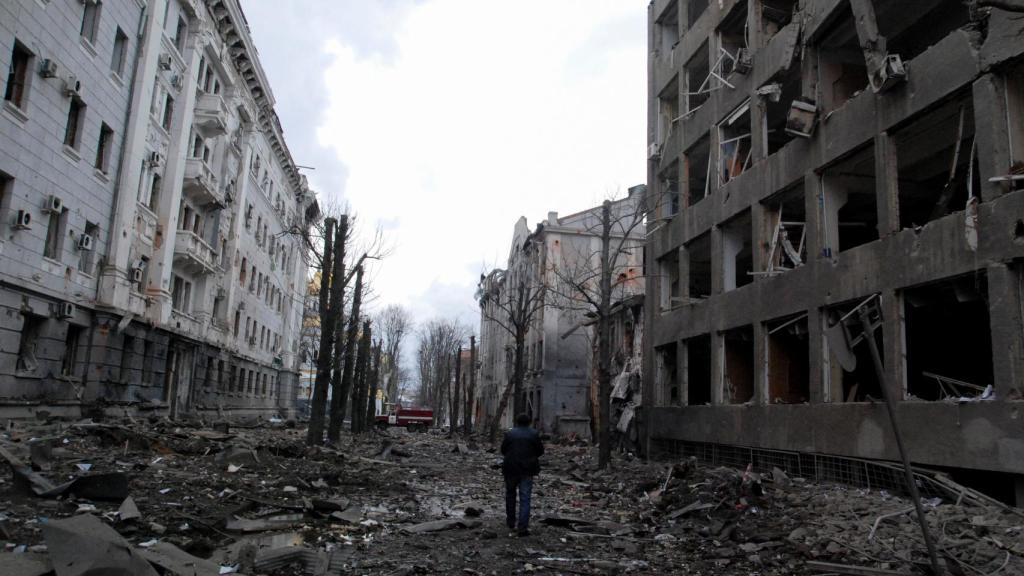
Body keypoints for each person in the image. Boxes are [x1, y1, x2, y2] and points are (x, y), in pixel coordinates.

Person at [501, 413, 544, 536]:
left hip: (510, 468)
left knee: (510, 495)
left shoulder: (510, 434)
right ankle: (523, 527)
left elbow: (503, 450)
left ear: (517, 422)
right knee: (525, 498)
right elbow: (540, 451)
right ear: (529, 422)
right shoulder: (534, 434)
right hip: (527, 469)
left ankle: (511, 522)